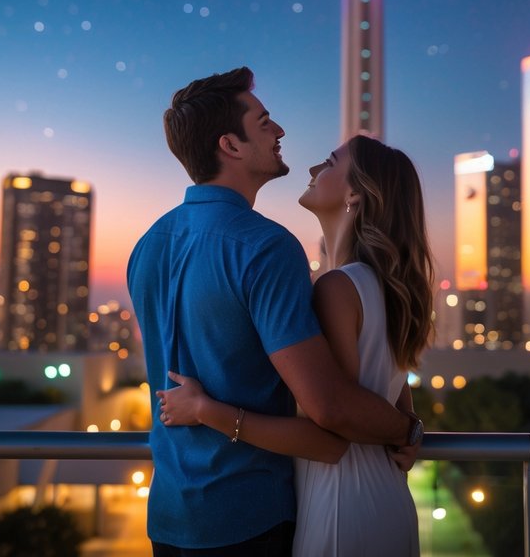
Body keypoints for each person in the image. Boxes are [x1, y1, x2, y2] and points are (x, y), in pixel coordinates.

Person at [128, 67, 417, 556]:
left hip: (170, 519)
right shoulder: (265, 246)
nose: (280, 131)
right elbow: (329, 414)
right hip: (250, 518)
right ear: (232, 146)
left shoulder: (146, 246)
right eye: (264, 122)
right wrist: (406, 430)